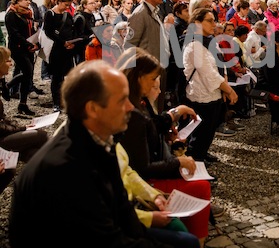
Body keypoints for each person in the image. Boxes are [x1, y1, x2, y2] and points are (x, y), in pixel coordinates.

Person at [9, 60, 173, 248]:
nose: (130, 107)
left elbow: (122, 210)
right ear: (92, 109)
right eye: (122, 100)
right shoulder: (64, 170)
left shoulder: (100, 139)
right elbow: (104, 239)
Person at [116, 48, 212, 243]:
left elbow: (152, 127)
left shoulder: (139, 103)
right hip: (147, 181)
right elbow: (140, 168)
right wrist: (178, 163)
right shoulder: (132, 111)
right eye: (153, 80)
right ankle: (196, 237)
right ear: (138, 78)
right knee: (201, 186)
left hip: (148, 173)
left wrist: (168, 134)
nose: (156, 86)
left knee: (199, 180)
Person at [183, 8, 238, 162]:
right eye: (210, 21)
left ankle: (202, 154)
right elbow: (209, 74)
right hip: (201, 96)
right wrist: (230, 90)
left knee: (209, 131)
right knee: (200, 134)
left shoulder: (211, 42)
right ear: (197, 23)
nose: (214, 24)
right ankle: (196, 166)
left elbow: (221, 65)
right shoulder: (194, 45)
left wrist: (225, 86)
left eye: (214, 20)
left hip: (215, 94)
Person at [0, 46, 48, 192]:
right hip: (1, 140)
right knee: (41, 135)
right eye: (8, 60)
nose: (12, 63)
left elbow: (2, 118)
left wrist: (22, 126)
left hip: (3, 135)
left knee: (31, 151)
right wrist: (22, 128)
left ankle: (45, 184)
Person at [5, 0, 39, 117]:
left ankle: (23, 104)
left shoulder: (27, 13)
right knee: (27, 72)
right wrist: (29, 44)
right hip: (18, 48)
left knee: (27, 75)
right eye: (26, 0)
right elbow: (14, 34)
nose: (28, 2)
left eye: (29, 0)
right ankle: (8, 87)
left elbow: (29, 29)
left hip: (27, 46)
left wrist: (34, 42)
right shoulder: (11, 14)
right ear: (17, 0)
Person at [43, 0, 76, 111]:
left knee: (65, 76)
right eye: (66, 5)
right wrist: (63, 42)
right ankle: (56, 102)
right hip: (55, 49)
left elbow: (71, 29)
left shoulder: (67, 14)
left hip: (67, 49)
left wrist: (71, 42)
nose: (68, 8)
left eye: (69, 5)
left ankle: (63, 100)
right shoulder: (50, 14)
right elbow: (49, 32)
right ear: (59, 2)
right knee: (56, 77)